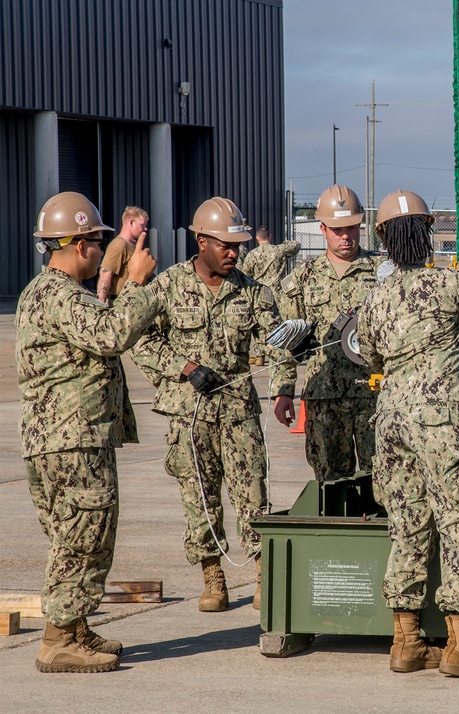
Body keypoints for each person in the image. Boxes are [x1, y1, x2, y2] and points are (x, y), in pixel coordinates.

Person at [357, 189, 459, 678]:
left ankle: (406, 641)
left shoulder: (374, 299)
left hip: (390, 424)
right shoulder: (452, 285)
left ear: (383, 239)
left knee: (407, 526)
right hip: (443, 421)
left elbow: (370, 358)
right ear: (428, 235)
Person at [18, 192, 159, 673]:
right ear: (80, 245)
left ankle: (74, 626)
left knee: (79, 534)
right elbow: (113, 334)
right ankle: (57, 640)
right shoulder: (58, 295)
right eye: (98, 241)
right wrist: (137, 285)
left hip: (63, 439)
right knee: (83, 537)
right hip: (72, 440)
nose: (102, 249)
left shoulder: (43, 293)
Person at [132, 197, 285, 613]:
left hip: (238, 413)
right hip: (189, 414)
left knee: (253, 497)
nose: (235, 252)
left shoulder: (256, 294)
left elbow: (279, 345)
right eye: (226, 245)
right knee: (199, 498)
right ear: (201, 242)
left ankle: (262, 575)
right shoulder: (167, 286)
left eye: (239, 245)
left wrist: (290, 364)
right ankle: (212, 577)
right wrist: (182, 367)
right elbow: (141, 340)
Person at [272, 186, 382, 483]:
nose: (346, 236)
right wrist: (283, 392)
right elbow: (285, 341)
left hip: (374, 396)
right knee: (331, 483)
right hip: (325, 398)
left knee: (384, 479)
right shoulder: (302, 280)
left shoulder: (382, 273)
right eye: (337, 230)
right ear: (322, 229)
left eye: (352, 228)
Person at [242, 225, 301, 366]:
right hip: (276, 291)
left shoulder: (252, 254)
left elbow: (245, 274)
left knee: (259, 324)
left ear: (257, 238)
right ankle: (278, 351)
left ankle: (259, 354)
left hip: (260, 292)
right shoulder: (278, 250)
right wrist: (284, 244)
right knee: (277, 323)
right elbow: (296, 246)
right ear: (270, 236)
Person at [96, 206, 149, 304]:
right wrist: (101, 302)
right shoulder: (119, 245)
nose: (145, 228)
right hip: (118, 303)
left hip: (132, 302)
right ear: (131, 223)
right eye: (142, 225)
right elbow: (105, 274)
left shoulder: (133, 245)